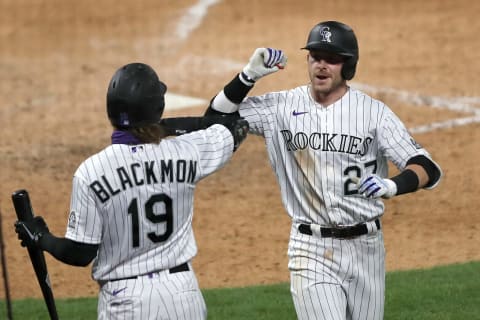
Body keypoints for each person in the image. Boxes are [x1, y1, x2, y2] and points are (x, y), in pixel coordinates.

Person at [204, 21, 442, 320]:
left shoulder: (374, 113)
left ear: (348, 65)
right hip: (310, 248)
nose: (322, 65)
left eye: (332, 59)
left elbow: (426, 167)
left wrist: (392, 186)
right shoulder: (280, 107)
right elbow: (216, 116)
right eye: (315, 56)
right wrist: (247, 76)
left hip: (366, 250)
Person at [14, 62, 249, 320]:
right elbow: (228, 125)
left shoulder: (91, 171)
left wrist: (40, 237)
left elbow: (80, 253)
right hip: (183, 295)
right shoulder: (187, 151)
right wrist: (248, 77)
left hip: (127, 301)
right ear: (157, 109)